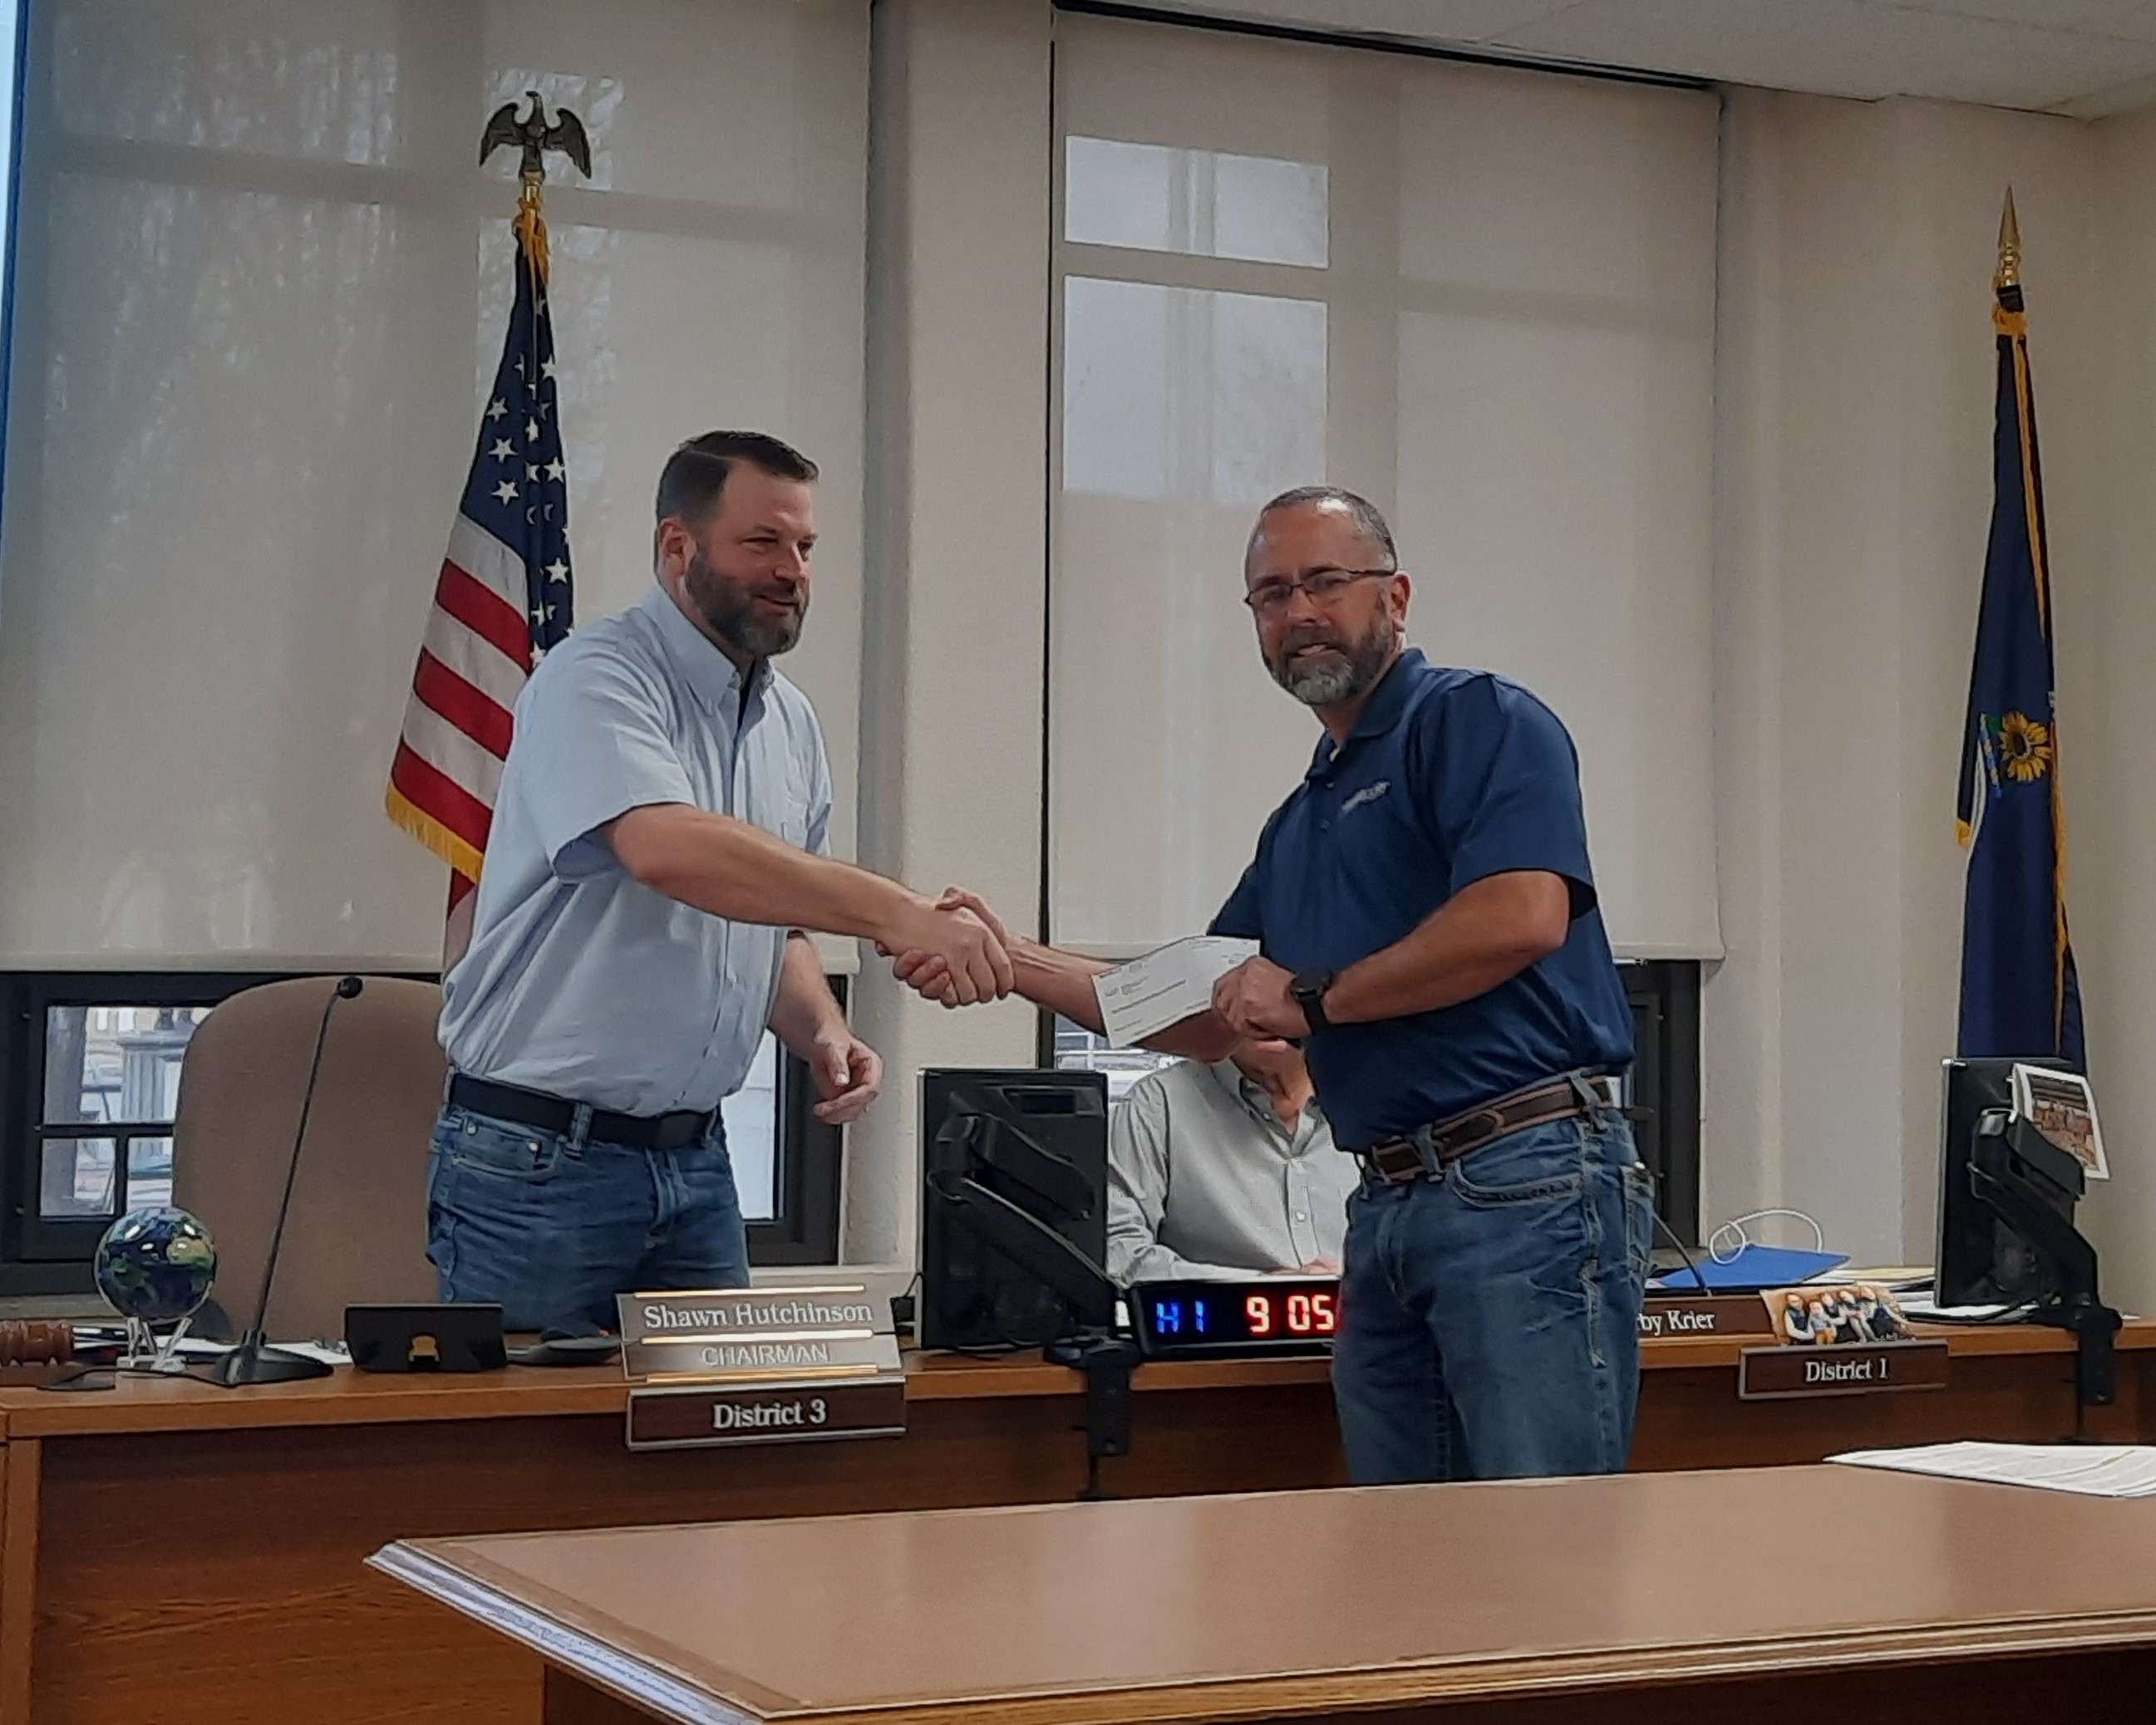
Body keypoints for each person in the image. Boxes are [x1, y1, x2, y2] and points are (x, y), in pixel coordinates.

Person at [897, 485, 1651, 1484]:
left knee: (1541, 1547)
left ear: (1398, 596)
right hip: (1383, 1201)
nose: (1298, 613)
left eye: (1325, 582)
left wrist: (1314, 1000)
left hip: (1522, 1177)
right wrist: (1009, 958)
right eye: (1269, 594)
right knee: (1401, 1561)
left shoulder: (1475, 719)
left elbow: (1518, 917)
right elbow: (1204, 1010)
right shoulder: (1301, 819)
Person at [431, 430, 1012, 1332]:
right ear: (677, 548)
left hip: (696, 1162)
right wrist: (899, 913)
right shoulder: (596, 676)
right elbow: (666, 848)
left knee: (711, 1449)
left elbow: (770, 923)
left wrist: (820, 1029)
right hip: (540, 1164)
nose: (791, 571)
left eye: (805, 547)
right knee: (530, 1466)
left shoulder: (790, 721)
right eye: (761, 543)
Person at [1106, 1039, 1356, 1285]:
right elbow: (1119, 1254)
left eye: (1292, 996)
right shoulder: (1157, 1106)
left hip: (1370, 1319)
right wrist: (1261, 1287)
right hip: (1218, 1321)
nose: (1268, 1007)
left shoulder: (1376, 1104)